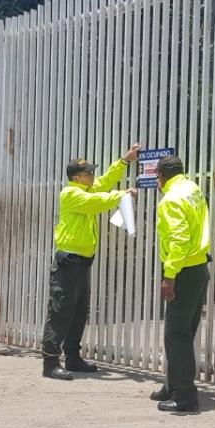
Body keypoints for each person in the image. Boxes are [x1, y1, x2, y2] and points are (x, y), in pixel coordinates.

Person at [41, 144, 140, 380]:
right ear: (76, 177)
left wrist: (124, 161)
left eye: (92, 172)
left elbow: (105, 182)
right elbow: (98, 201)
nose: (93, 175)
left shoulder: (86, 189)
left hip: (82, 261)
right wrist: (122, 195)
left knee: (78, 311)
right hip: (68, 261)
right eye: (88, 173)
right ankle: (50, 362)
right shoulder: (71, 194)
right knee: (60, 311)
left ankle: (73, 357)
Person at [150, 155, 211, 413]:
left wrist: (169, 276)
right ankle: (173, 385)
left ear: (160, 176)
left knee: (177, 335)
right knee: (182, 332)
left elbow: (179, 240)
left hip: (183, 270)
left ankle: (185, 396)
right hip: (198, 268)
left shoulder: (171, 200)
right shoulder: (192, 189)